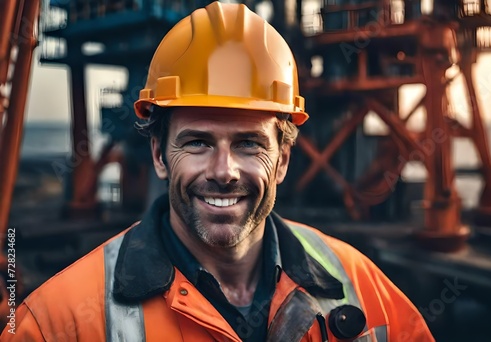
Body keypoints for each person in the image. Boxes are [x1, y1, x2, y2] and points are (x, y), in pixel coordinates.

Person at [1, 2, 434, 341]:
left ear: (282, 160)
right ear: (157, 154)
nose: (223, 171)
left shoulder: (361, 285)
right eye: (198, 142)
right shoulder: (56, 322)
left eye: (249, 144)